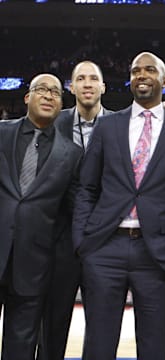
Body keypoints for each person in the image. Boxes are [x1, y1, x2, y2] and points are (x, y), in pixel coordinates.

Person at [72, 52, 165, 360]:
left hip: (156, 251)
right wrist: (83, 241)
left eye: (150, 70)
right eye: (136, 70)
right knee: (98, 345)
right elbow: (87, 187)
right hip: (104, 247)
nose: (142, 74)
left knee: (154, 347)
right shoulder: (107, 126)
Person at [0, 73, 82, 359]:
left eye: (56, 93)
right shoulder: (1, 132)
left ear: (62, 104)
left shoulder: (72, 154)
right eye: (42, 90)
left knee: (20, 347)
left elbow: (74, 210)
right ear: (27, 97)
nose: (49, 96)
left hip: (34, 266)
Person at [37, 61, 112, 360]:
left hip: (105, 240)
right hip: (61, 240)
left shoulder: (122, 126)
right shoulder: (54, 123)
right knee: (53, 326)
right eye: (80, 78)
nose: (87, 83)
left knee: (101, 330)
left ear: (103, 86)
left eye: (94, 78)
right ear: (72, 87)